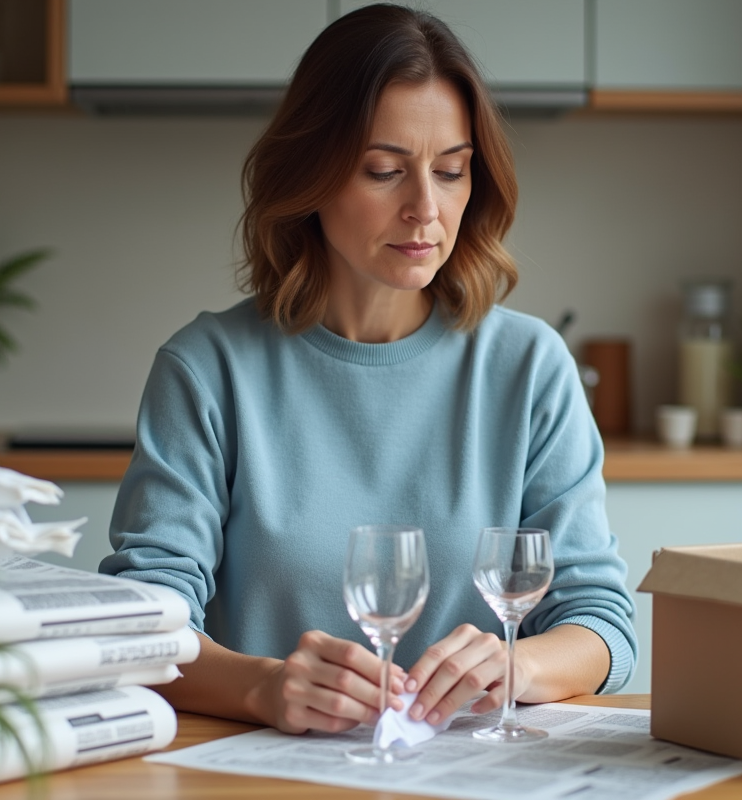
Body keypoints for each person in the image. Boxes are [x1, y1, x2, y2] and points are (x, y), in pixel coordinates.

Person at [101, 3, 636, 735]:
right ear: (312, 175)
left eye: (451, 171)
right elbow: (141, 627)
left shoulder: (530, 368)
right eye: (384, 171)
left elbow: (603, 623)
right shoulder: (207, 371)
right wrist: (263, 686)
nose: (425, 209)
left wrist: (521, 666)